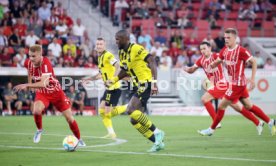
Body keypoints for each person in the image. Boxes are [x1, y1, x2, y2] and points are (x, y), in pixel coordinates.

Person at [198, 28, 276, 136]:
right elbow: (219, 59)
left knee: (221, 106)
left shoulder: (241, 51)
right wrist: (214, 64)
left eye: (228, 38)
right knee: (248, 106)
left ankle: (211, 130)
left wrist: (253, 79)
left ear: (235, 38)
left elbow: (253, 62)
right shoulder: (225, 50)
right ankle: (270, 122)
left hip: (237, 84)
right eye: (225, 38)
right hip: (236, 84)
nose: (226, 40)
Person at [184, 41, 264, 135]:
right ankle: (258, 123)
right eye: (201, 49)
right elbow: (191, 70)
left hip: (222, 84)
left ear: (210, 48)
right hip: (219, 86)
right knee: (239, 108)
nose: (202, 51)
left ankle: (216, 123)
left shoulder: (216, 56)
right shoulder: (200, 60)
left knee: (204, 99)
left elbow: (230, 60)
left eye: (204, 48)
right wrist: (186, 69)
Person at [13, 45, 86, 147]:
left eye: (34, 56)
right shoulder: (29, 62)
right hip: (42, 92)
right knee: (36, 110)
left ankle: (78, 138)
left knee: (69, 118)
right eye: (30, 56)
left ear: (40, 55)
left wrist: (26, 85)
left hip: (56, 92)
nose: (31, 58)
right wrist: (30, 84)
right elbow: (29, 71)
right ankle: (39, 130)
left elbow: (44, 83)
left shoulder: (45, 63)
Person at [106, 30, 165, 152]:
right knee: (134, 119)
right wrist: (115, 79)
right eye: (115, 39)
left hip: (146, 83)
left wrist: (154, 83)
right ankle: (157, 142)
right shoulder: (122, 52)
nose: (116, 42)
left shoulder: (136, 48)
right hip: (138, 85)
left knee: (130, 109)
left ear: (126, 39)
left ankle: (157, 132)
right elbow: (125, 70)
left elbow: (152, 61)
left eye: (118, 39)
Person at [82, 38, 127, 139]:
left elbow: (117, 66)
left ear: (104, 46)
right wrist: (88, 79)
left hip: (114, 88)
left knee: (108, 113)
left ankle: (128, 107)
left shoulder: (108, 55)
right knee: (102, 111)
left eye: (101, 44)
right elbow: (100, 74)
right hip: (109, 89)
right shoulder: (100, 58)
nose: (99, 46)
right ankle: (111, 133)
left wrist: (113, 79)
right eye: (97, 44)